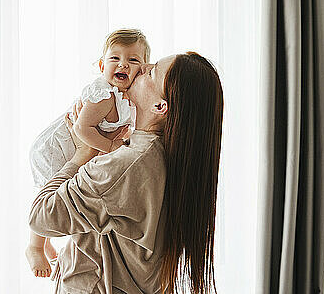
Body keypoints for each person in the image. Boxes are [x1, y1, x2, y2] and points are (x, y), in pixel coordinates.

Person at [29, 52, 224, 294]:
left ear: (160, 106)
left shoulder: (128, 164)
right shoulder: (167, 156)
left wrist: (81, 154)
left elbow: (41, 216)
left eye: (151, 72)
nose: (141, 68)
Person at [25, 29, 151, 278]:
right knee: (55, 197)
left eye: (133, 60)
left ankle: (49, 243)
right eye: (115, 58)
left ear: (143, 69)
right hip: (55, 148)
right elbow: (82, 129)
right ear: (102, 65)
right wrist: (111, 148)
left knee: (74, 197)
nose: (123, 64)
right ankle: (35, 246)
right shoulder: (103, 95)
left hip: (76, 148)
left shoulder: (127, 99)